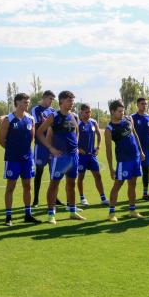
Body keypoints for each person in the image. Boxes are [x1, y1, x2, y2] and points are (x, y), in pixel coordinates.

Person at [37, 90, 86, 224]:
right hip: (59, 158)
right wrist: (51, 148)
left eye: (73, 101)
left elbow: (76, 132)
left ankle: (72, 211)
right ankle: (51, 214)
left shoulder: (74, 116)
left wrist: (76, 147)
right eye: (69, 100)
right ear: (62, 101)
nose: (72, 103)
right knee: (54, 184)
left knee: (71, 183)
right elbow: (40, 132)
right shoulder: (54, 116)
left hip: (73, 156)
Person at [0, 92, 40, 225]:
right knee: (10, 187)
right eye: (24, 101)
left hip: (27, 159)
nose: (27, 103)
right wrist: (12, 150)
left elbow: (31, 138)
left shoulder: (31, 119)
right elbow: (1, 140)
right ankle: (8, 216)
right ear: (17, 103)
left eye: (28, 102)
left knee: (28, 186)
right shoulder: (8, 119)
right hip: (12, 159)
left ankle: (28, 214)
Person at [104, 99, 145, 222]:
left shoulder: (128, 119)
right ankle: (111, 213)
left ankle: (132, 210)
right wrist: (111, 168)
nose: (122, 113)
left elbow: (135, 134)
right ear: (112, 111)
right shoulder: (109, 129)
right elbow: (108, 150)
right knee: (118, 185)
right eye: (119, 111)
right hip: (123, 160)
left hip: (135, 158)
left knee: (132, 184)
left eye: (123, 111)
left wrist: (141, 151)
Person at [32, 90, 61, 207]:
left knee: (53, 173)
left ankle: (55, 198)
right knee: (39, 172)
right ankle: (36, 199)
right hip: (41, 146)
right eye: (50, 99)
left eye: (53, 100)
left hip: (52, 147)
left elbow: (55, 126)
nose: (51, 101)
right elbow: (38, 125)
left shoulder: (53, 111)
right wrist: (48, 123)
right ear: (44, 98)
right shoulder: (36, 109)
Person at [76, 103, 108, 206]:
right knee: (81, 177)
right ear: (81, 112)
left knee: (98, 176)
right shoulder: (77, 123)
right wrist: (78, 148)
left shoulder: (93, 122)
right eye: (86, 112)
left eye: (90, 112)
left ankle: (103, 198)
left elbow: (99, 134)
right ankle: (82, 198)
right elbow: (72, 138)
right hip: (81, 157)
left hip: (91, 155)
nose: (89, 114)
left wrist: (98, 147)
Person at [131, 97, 149, 201]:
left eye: (145, 104)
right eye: (142, 104)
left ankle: (145, 193)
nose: (144, 105)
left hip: (147, 149)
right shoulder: (132, 118)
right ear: (137, 105)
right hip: (134, 149)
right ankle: (132, 194)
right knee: (133, 172)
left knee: (146, 170)